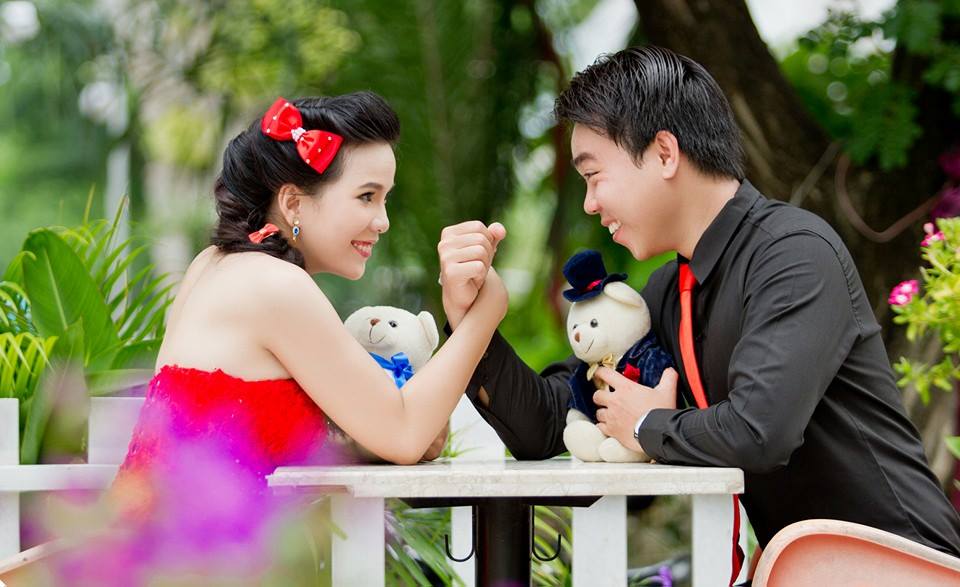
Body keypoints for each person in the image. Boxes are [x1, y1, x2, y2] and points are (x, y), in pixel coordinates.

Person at [438, 45, 960, 579]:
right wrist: (471, 317)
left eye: (594, 175)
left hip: (906, 567)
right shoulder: (670, 291)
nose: (590, 203)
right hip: (811, 571)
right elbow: (548, 423)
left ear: (665, 153)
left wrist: (646, 424)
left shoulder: (794, 253)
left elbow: (759, 432)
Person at [112, 91, 509, 512]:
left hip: (149, 539)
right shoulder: (276, 286)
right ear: (293, 203)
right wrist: (483, 313)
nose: (383, 221)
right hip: (189, 547)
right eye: (366, 196)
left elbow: (246, 438)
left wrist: (374, 437)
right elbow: (407, 434)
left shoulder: (212, 263)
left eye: (385, 199)